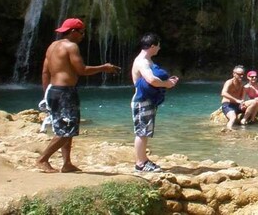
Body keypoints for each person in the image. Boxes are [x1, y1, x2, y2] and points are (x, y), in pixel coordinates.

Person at [36, 18, 119, 173]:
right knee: (68, 129)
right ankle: (42, 159)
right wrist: (104, 67)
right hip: (65, 92)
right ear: (73, 32)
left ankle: (67, 163)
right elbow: (82, 70)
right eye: (81, 32)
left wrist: (46, 94)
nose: (83, 36)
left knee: (65, 127)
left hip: (53, 91)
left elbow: (45, 72)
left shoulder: (52, 46)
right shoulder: (71, 46)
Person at [130, 33, 179, 173]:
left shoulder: (147, 60)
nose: (159, 48)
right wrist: (167, 84)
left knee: (145, 131)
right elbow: (151, 80)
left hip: (147, 100)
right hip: (141, 101)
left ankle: (143, 160)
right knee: (141, 131)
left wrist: (168, 82)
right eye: (158, 45)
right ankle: (140, 163)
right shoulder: (142, 62)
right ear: (152, 46)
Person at [220, 65, 246, 130]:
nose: (241, 76)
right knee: (233, 117)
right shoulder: (229, 82)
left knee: (253, 104)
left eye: (242, 74)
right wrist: (236, 100)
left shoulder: (241, 84)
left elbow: (242, 97)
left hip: (237, 105)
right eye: (239, 74)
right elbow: (223, 93)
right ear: (234, 74)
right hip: (228, 105)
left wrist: (242, 103)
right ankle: (229, 131)